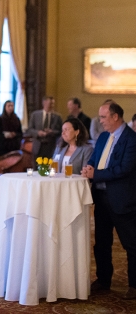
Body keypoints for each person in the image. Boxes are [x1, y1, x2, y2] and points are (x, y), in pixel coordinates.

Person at [81, 101, 136, 300]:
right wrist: (88, 168)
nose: (100, 121)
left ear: (115, 117)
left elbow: (124, 169)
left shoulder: (132, 139)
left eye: (103, 117)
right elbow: (94, 159)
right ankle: (104, 280)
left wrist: (96, 174)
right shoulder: (103, 137)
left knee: (131, 244)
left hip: (122, 199)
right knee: (102, 243)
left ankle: (134, 286)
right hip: (101, 198)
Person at [27, 96, 62, 166]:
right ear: (44, 103)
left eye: (53, 104)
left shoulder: (57, 117)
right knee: (36, 167)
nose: (52, 105)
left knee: (49, 168)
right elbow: (30, 129)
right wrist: (38, 133)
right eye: (50, 103)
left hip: (50, 146)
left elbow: (60, 131)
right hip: (38, 145)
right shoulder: (35, 115)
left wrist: (51, 132)